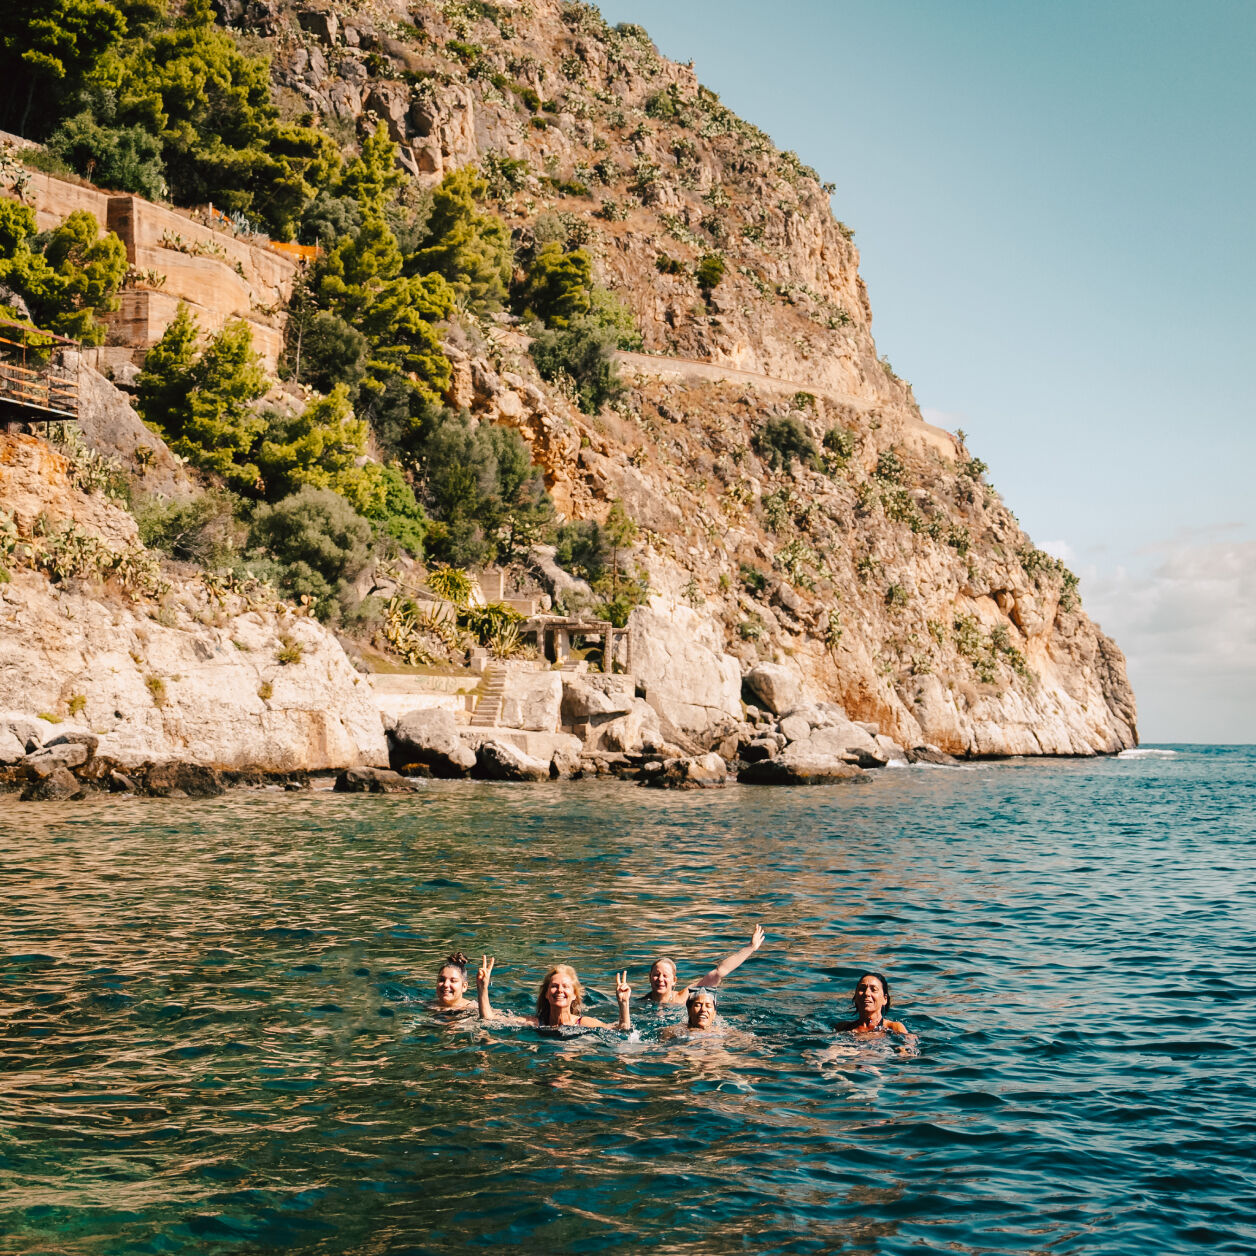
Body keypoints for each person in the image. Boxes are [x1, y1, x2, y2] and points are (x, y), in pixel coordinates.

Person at [476, 956, 633, 1031]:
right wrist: (483, 988)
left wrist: (624, 1004)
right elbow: (489, 1019)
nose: (560, 990)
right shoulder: (535, 1023)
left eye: (565, 986)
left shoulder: (583, 1023)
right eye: (554, 986)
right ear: (545, 994)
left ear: (574, 995)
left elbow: (622, 1029)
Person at [646, 925, 767, 1006]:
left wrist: (750, 948)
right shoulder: (641, 1004)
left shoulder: (683, 997)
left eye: (665, 975)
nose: (660, 979)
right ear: (650, 977)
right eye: (656, 975)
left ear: (674, 980)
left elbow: (719, 972)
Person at [834, 971, 910, 1036]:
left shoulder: (894, 1028)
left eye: (874, 989)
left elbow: (907, 1049)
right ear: (855, 997)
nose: (867, 993)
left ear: (885, 999)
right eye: (862, 989)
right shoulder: (843, 1028)